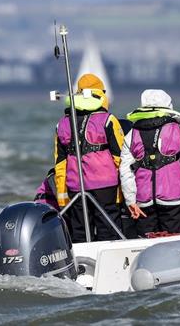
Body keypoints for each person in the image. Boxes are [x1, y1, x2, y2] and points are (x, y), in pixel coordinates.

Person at [54, 73, 124, 242]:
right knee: (107, 227)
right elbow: (120, 156)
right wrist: (123, 192)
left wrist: (62, 196)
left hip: (75, 185)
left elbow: (60, 163)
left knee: (79, 230)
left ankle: (82, 263)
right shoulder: (108, 120)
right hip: (105, 185)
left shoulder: (62, 124)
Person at [119, 89, 180, 236]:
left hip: (143, 200)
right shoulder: (179, 129)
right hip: (173, 198)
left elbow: (125, 170)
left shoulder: (131, 134)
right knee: (175, 243)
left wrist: (130, 201)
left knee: (147, 244)